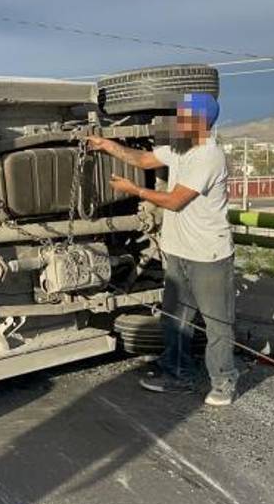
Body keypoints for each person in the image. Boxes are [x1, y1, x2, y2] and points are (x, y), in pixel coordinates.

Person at [86, 93, 238, 406]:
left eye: (182, 114)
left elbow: (174, 200)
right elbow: (143, 160)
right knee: (174, 320)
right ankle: (177, 376)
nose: (177, 119)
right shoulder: (182, 146)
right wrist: (107, 146)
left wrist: (134, 190)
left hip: (209, 255)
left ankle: (224, 381)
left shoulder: (208, 155)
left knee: (217, 323)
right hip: (180, 252)